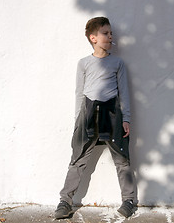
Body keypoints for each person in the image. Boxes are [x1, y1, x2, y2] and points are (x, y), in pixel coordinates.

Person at [54, 17, 137, 219]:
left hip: (113, 115)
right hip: (88, 115)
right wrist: (78, 121)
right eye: (105, 33)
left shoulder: (117, 63)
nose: (110, 36)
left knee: (122, 160)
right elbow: (79, 93)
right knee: (78, 160)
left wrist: (126, 118)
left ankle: (129, 200)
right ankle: (65, 201)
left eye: (111, 33)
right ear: (93, 38)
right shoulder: (83, 63)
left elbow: (124, 93)